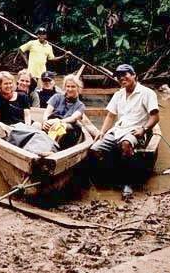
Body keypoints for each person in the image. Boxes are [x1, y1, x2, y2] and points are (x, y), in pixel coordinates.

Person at [90, 64, 159, 195]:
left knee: (126, 144)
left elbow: (155, 117)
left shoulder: (147, 93)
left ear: (134, 75)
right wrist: (102, 132)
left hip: (136, 130)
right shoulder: (118, 94)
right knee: (95, 149)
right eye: (118, 76)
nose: (121, 78)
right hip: (118, 130)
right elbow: (111, 115)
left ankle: (128, 183)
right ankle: (109, 178)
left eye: (124, 74)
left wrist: (144, 129)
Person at [42, 74, 85, 150]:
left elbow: (73, 118)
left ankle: (52, 149)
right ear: (65, 87)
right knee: (36, 125)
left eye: (73, 87)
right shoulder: (57, 97)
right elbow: (47, 112)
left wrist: (58, 121)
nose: (70, 89)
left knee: (61, 126)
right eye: (68, 86)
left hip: (70, 130)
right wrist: (45, 121)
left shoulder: (80, 105)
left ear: (78, 88)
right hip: (53, 123)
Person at [0, 71, 32, 138]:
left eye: (10, 83)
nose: (9, 86)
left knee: (37, 125)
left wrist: (27, 127)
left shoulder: (23, 96)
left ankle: (20, 138)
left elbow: (27, 115)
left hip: (22, 127)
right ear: (0, 85)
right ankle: (7, 139)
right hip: (8, 128)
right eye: (6, 84)